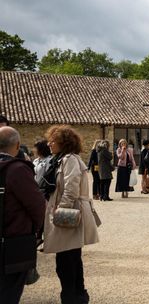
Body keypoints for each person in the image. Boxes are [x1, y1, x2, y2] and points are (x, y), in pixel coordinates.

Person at [43, 125, 99, 304]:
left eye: (53, 141)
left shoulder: (69, 159)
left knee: (67, 260)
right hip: (68, 210)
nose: (49, 144)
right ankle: (77, 295)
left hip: (69, 212)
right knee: (70, 257)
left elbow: (71, 187)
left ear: (64, 143)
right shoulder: (60, 159)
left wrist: (62, 210)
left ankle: (72, 297)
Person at [0, 127, 46, 304]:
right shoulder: (17, 170)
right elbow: (37, 206)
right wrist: (35, 231)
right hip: (13, 243)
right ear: (18, 145)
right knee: (8, 293)